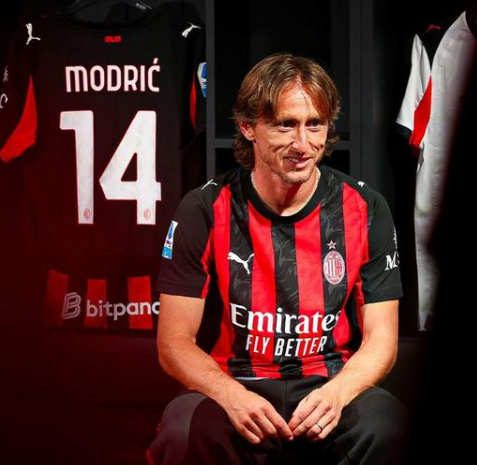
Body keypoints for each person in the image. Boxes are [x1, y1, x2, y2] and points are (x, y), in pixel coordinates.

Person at [146, 53, 409, 465]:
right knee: (182, 433)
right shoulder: (204, 208)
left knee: (390, 427)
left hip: (328, 383)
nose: (303, 144)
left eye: (315, 124)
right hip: (234, 381)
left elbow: (383, 339)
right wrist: (229, 393)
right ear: (248, 127)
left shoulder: (365, 207)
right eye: (286, 124)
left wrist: (338, 393)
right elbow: (173, 342)